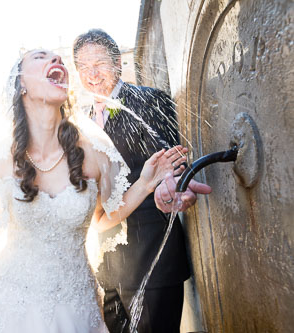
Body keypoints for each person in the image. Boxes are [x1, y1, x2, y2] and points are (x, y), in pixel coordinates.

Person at [0, 50, 187, 332]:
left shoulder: (94, 149)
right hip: (10, 302)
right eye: (40, 57)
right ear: (21, 85)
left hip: (77, 303)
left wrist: (145, 183)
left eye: (58, 58)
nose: (56, 61)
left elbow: (103, 218)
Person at [73, 29, 212, 332]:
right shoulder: (79, 122)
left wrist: (171, 186)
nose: (92, 74)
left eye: (100, 63)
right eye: (83, 67)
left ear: (118, 63)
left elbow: (173, 161)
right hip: (106, 269)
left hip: (153, 261)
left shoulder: (149, 100)